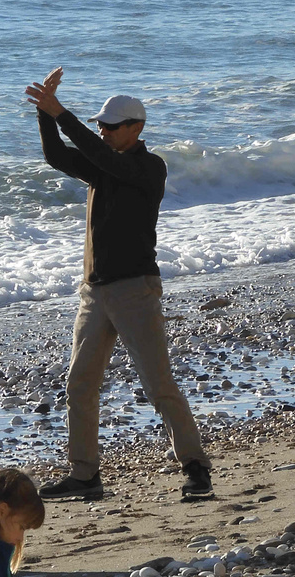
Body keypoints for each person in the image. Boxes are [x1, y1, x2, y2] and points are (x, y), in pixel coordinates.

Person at [24, 67, 213, 501]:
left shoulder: (148, 168)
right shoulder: (102, 167)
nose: (103, 133)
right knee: (80, 383)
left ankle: (196, 466)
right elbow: (58, 157)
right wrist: (45, 115)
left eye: (111, 127)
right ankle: (85, 474)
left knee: (158, 384)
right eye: (100, 127)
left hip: (134, 290)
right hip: (94, 293)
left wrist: (62, 113)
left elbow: (102, 156)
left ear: (136, 128)